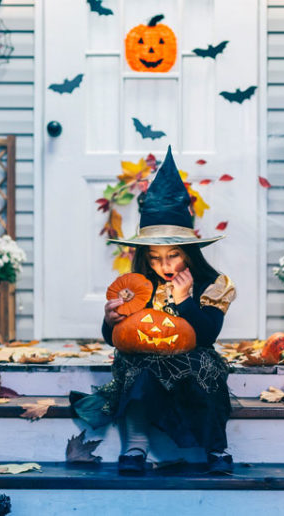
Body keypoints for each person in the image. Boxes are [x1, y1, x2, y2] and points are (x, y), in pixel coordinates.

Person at [102, 146, 236, 475]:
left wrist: (186, 299)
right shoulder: (136, 284)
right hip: (145, 358)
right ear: (144, 257)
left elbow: (207, 335)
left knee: (204, 369)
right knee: (138, 367)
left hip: (193, 357)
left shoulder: (213, 284)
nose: (164, 265)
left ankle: (216, 447)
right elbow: (118, 337)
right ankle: (135, 446)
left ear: (189, 253)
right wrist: (109, 322)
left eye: (173, 255)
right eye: (154, 257)